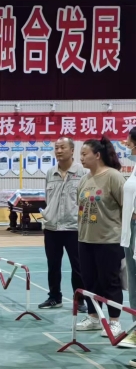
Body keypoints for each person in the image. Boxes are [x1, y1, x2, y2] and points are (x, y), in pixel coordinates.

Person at [76, 136, 125, 337]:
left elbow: (127, 207)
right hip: (85, 239)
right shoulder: (84, 179)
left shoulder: (114, 177)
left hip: (109, 240)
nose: (81, 158)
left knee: (110, 282)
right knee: (89, 282)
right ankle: (94, 318)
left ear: (97, 155)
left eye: (84, 154)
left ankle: (114, 322)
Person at [39, 137, 87, 312]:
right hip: (52, 227)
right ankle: (54, 297)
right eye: (56, 148)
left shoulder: (83, 172)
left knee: (78, 266)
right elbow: (48, 199)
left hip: (74, 227)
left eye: (62, 147)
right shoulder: (50, 173)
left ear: (72, 150)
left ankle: (79, 300)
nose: (59, 151)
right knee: (53, 265)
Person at [120, 128, 136, 350]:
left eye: (129, 142)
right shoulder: (134, 168)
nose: (126, 144)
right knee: (133, 282)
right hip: (130, 229)